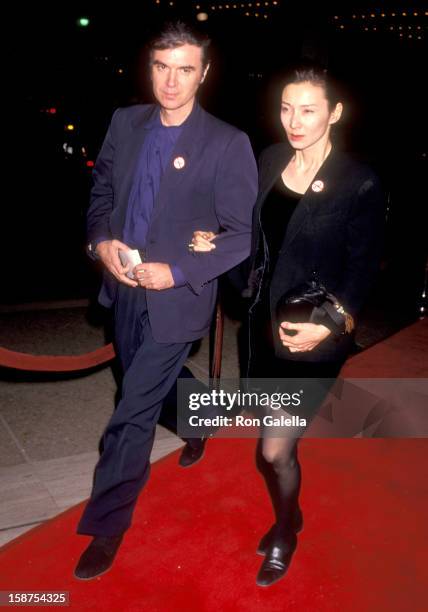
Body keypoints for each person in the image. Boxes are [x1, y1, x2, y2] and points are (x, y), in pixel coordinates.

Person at [74, 21, 258, 580]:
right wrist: (100, 242)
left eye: (185, 69)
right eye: (161, 67)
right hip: (122, 289)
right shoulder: (125, 123)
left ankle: (106, 526)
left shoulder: (227, 142)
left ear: (203, 73)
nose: (171, 82)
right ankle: (198, 420)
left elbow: (243, 233)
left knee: (129, 416)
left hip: (176, 301)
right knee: (145, 384)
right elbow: (101, 193)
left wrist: (177, 270)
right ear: (149, 67)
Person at [190, 61, 385, 587]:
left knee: (273, 448)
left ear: (335, 113)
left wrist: (335, 321)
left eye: (308, 110)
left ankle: (285, 528)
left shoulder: (359, 181)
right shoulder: (272, 158)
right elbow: (258, 239)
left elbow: (363, 266)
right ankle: (290, 511)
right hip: (259, 327)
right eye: (286, 108)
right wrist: (220, 243)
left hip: (312, 332)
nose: (294, 121)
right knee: (278, 440)